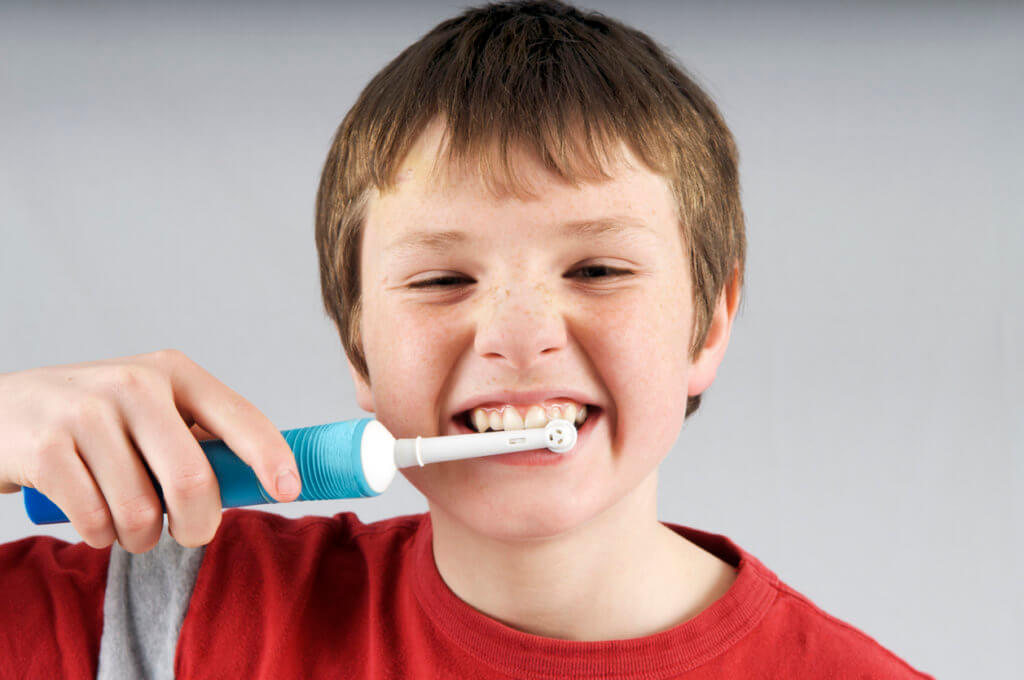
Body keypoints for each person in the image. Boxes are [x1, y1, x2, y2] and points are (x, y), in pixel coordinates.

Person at [0, 1, 934, 677]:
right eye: (443, 279)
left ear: (710, 321)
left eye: (598, 270)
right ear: (357, 345)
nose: (520, 336)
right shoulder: (163, 616)